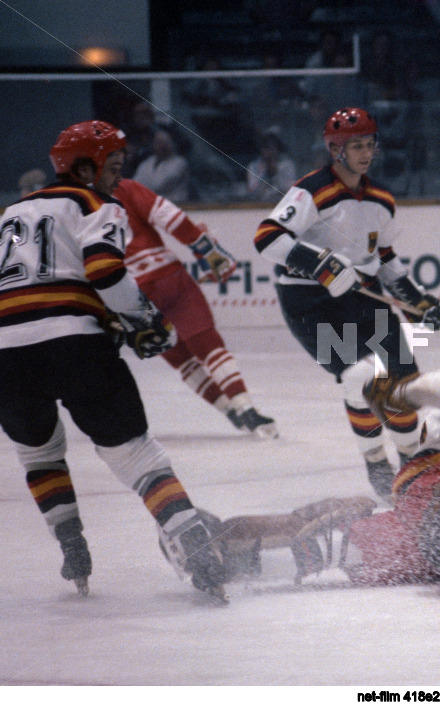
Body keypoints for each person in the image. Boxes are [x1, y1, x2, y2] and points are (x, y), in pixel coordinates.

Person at [0, 121, 226, 599]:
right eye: (112, 168)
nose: (116, 178)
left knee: (38, 451)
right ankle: (195, 546)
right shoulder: (94, 203)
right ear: (84, 167)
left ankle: (72, 546)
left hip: (6, 355)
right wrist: (144, 318)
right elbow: (105, 270)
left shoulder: (9, 213)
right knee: (138, 457)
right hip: (74, 343)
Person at [205, 359, 440, 607]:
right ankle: (220, 557)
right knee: (343, 546)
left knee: (332, 534)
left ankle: (211, 543)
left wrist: (406, 392)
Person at [254, 107, 440, 499]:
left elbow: (387, 260)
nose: (365, 152)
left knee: (404, 385)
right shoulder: (310, 191)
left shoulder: (381, 200)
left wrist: (417, 300)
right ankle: (377, 464)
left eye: (369, 144)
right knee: (360, 377)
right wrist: (320, 265)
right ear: (334, 149)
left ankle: (412, 466)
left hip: (361, 295)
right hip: (310, 301)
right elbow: (267, 238)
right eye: (355, 145)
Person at [109, 177, 277, 438]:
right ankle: (246, 409)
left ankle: (228, 410)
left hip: (128, 295)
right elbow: (170, 217)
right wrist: (207, 250)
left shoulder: (73, 208)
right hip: (166, 277)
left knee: (181, 359)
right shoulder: (124, 187)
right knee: (208, 344)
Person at [132, 129, 191, 203]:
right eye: (159, 142)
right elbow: (134, 185)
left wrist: (142, 188)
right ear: (153, 144)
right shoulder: (147, 162)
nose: (163, 146)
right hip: (150, 206)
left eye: (166, 143)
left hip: (175, 207)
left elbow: (159, 185)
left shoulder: (180, 163)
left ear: (172, 144)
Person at [246, 130, 298, 200]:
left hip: (282, 203)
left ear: (277, 149)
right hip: (259, 205)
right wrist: (264, 174)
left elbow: (290, 189)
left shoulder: (287, 165)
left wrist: (277, 172)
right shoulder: (253, 167)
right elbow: (252, 191)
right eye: (266, 149)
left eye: (272, 149)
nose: (269, 153)